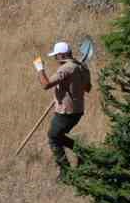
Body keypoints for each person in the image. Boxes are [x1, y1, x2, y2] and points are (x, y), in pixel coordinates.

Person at [35, 41, 91, 179]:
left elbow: (46, 85)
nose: (55, 59)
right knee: (57, 136)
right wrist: (69, 86)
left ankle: (66, 173)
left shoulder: (66, 68)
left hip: (66, 111)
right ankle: (83, 153)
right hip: (78, 110)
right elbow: (88, 88)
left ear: (62, 55)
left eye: (56, 56)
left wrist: (40, 68)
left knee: (53, 137)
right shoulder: (82, 66)